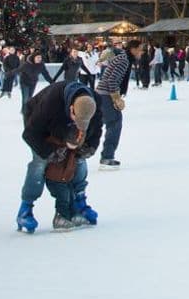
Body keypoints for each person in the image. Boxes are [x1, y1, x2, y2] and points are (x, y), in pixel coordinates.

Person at [17, 78, 102, 233]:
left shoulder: (94, 102)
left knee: (78, 160)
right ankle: (25, 209)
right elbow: (29, 134)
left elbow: (97, 130)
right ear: (71, 110)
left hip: (65, 128)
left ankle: (79, 202)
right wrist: (51, 151)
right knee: (39, 163)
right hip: (39, 127)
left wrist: (89, 147)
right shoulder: (50, 104)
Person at [95, 39, 138, 169]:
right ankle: (107, 157)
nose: (142, 52)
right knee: (114, 123)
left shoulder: (124, 58)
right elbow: (112, 80)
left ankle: (74, 154)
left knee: (97, 124)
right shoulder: (124, 60)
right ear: (133, 49)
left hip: (102, 93)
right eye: (140, 49)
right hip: (105, 94)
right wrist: (116, 98)